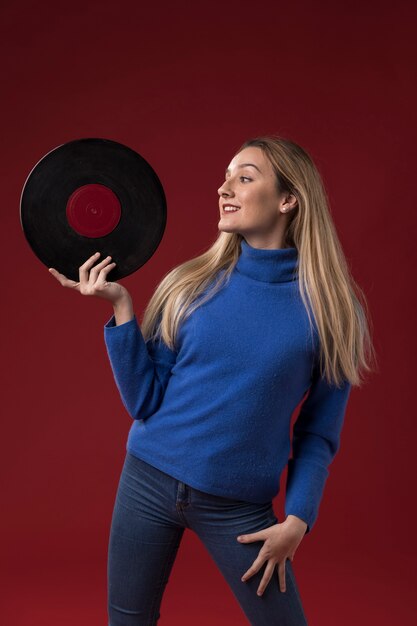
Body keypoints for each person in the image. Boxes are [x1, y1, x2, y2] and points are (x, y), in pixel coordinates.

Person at [49, 135, 376, 625]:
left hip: (238, 509)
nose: (224, 188)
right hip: (146, 481)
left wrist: (298, 520)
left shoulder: (330, 309)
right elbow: (145, 401)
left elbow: (318, 434)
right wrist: (121, 310)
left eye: (244, 177)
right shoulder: (191, 282)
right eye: (225, 177)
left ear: (288, 200)